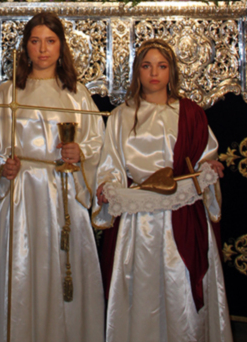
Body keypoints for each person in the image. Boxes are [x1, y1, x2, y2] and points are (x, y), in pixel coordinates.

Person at [0, 12, 105, 342]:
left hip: (63, 196)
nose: (42, 49)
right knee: (20, 274)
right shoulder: (9, 93)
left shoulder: (76, 95)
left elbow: (99, 143)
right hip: (19, 197)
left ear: (61, 47)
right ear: (25, 47)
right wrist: (2, 168)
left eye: (50, 41)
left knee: (59, 276)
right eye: (35, 41)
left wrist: (81, 154)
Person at [94, 39, 232, 342]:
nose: (153, 73)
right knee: (141, 290)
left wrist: (211, 168)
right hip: (138, 223)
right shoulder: (121, 116)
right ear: (136, 72)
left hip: (181, 215)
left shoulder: (191, 113)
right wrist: (106, 187)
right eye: (146, 66)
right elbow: (110, 164)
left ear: (172, 71)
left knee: (179, 288)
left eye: (161, 65)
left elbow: (204, 157)